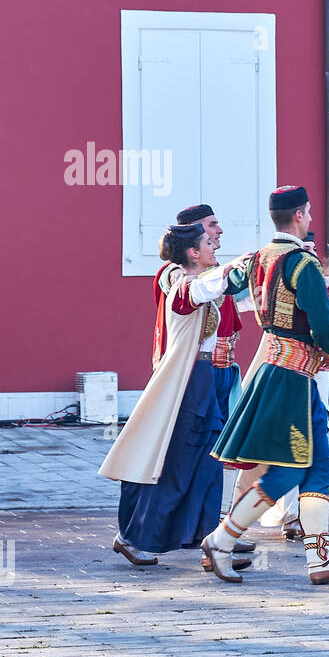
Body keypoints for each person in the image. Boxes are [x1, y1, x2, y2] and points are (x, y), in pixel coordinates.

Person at [202, 186, 329, 585]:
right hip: (292, 379)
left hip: (277, 371)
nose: (311, 219)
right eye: (309, 213)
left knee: (317, 464)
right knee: (289, 465)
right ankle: (223, 538)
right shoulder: (304, 263)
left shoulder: (261, 257)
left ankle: (320, 560)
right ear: (299, 215)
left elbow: (229, 285)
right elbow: (323, 323)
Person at [103, 224, 250, 570]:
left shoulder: (201, 282)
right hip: (186, 384)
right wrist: (237, 265)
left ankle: (212, 543)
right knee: (174, 464)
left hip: (201, 381)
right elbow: (203, 289)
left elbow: (226, 289)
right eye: (207, 243)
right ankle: (134, 536)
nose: (215, 246)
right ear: (192, 253)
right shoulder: (181, 285)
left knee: (206, 465)